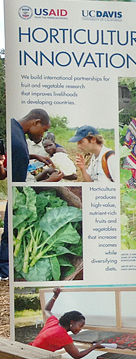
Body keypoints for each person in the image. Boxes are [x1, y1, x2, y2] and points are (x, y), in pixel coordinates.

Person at [4, 109, 56, 279]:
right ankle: (5, 272)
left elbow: (12, 159)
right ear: (36, 123)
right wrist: (49, 182)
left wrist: (32, 156)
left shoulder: (14, 128)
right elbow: (20, 188)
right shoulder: (19, 144)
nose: (44, 134)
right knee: (10, 231)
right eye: (44, 129)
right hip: (16, 200)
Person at [30, 287, 103, 358]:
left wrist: (55, 296)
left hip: (30, 350)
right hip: (36, 356)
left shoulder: (53, 321)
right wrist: (95, 346)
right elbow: (77, 355)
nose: (80, 329)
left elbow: (47, 310)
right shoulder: (63, 336)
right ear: (72, 322)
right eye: (80, 326)